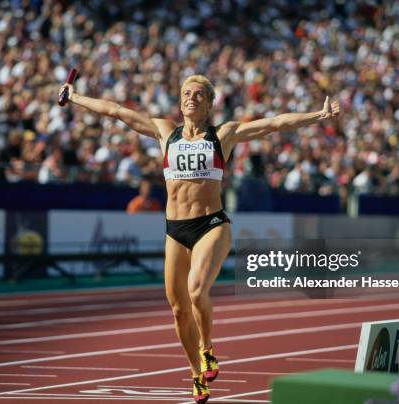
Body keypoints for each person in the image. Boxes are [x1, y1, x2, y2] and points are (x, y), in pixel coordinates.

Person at [59, 75, 340, 403]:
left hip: (212, 224)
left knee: (196, 291)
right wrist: (75, 96)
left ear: (208, 104)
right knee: (178, 310)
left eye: (197, 95)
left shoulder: (224, 134)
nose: (190, 98)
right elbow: (116, 110)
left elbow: (275, 124)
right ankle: (196, 375)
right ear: (180, 102)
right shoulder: (165, 132)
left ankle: (208, 348)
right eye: (186, 94)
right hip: (175, 230)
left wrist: (318, 116)